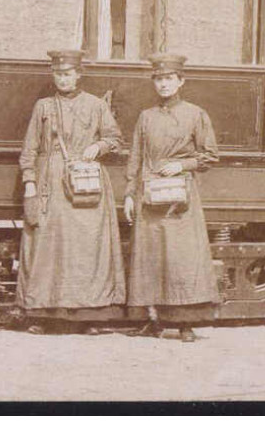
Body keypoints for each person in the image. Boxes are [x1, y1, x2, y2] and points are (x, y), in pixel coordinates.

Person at [17, 49, 126, 332]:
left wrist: (98, 147)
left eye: (68, 74)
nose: (63, 79)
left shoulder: (96, 105)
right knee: (48, 246)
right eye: (58, 74)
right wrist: (29, 181)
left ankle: (89, 316)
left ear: (79, 75)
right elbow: (30, 148)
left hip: (86, 182)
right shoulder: (43, 107)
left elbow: (115, 139)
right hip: (50, 181)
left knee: (88, 247)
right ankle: (42, 315)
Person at [124, 53, 219, 343]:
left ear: (181, 81)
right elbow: (136, 157)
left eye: (169, 79)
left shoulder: (195, 114)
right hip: (150, 195)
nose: (163, 85)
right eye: (159, 79)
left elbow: (210, 155)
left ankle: (185, 323)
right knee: (152, 257)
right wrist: (129, 194)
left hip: (180, 199)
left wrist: (182, 165)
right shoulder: (146, 117)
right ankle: (153, 318)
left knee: (181, 258)